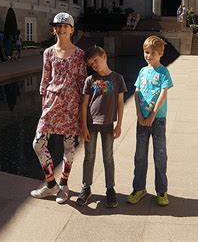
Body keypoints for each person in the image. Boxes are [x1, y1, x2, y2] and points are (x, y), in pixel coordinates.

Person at [31, 12, 87, 204]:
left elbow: (82, 84)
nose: (61, 29)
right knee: (38, 144)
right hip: (51, 105)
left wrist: (82, 114)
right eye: (58, 26)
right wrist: (43, 109)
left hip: (71, 106)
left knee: (69, 147)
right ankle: (50, 183)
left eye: (65, 26)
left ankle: (63, 184)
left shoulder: (80, 55)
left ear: (72, 30)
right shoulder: (48, 53)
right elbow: (45, 81)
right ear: (54, 29)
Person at [77, 45, 127, 208]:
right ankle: (86, 187)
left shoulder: (118, 78)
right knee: (89, 156)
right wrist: (83, 127)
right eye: (91, 64)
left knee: (108, 158)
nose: (95, 66)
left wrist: (119, 125)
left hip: (108, 125)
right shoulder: (90, 80)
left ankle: (110, 189)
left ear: (104, 56)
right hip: (91, 125)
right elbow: (84, 105)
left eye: (96, 61)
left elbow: (120, 104)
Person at [127, 35, 173, 206]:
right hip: (142, 120)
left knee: (160, 155)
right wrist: (139, 115)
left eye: (153, 52)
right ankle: (139, 188)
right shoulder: (142, 71)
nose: (149, 56)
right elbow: (137, 93)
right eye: (146, 52)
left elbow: (163, 93)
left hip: (158, 119)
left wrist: (153, 114)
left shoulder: (163, 72)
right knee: (140, 155)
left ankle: (161, 190)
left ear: (160, 53)